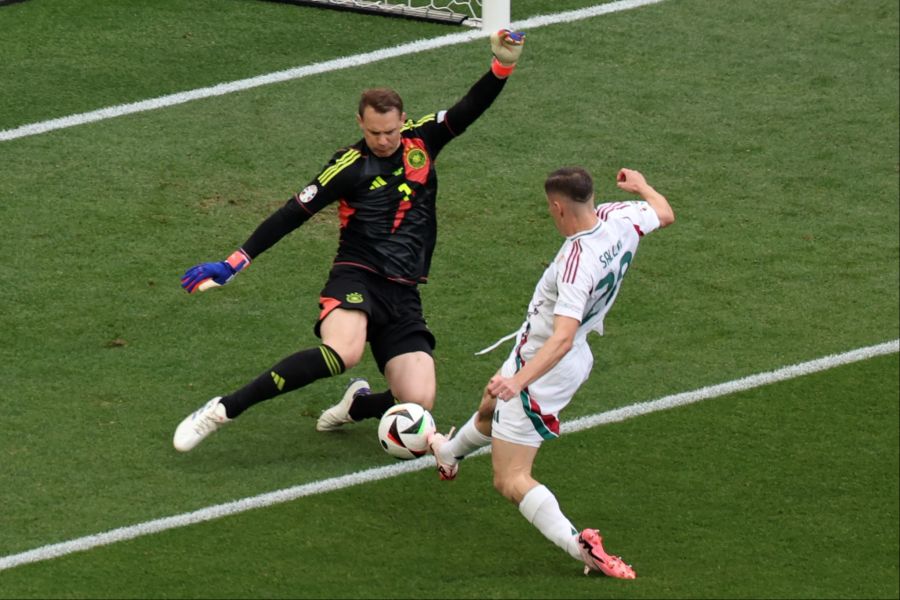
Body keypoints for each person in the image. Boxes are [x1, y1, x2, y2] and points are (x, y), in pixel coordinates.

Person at [173, 30, 526, 452]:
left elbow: (469, 108)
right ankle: (222, 410)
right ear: (361, 124)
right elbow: (291, 213)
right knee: (343, 352)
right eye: (375, 132)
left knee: (420, 402)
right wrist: (233, 263)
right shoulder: (348, 166)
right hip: (357, 275)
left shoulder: (423, 140)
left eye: (391, 131)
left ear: (402, 121)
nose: (384, 140)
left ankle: (357, 407)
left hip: (403, 291)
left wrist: (501, 67)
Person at [428, 166, 675, 579]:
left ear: (559, 207)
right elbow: (664, 213)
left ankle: (581, 549)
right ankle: (448, 454)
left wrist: (518, 382)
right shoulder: (620, 217)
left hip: (544, 368)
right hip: (545, 355)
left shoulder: (576, 263)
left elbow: (561, 338)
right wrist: (644, 187)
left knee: (510, 478)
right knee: (488, 405)